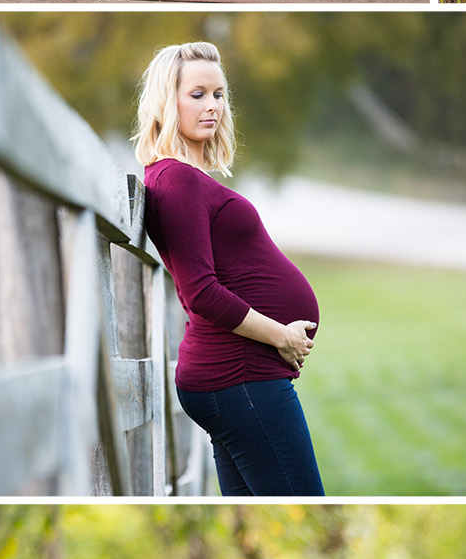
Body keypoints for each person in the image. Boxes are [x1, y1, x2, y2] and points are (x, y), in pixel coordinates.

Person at [136, 38, 325, 496]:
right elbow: (199, 291)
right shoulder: (177, 179)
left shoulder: (186, 178)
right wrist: (282, 335)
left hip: (240, 378)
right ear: (168, 100)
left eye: (219, 94)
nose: (213, 106)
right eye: (197, 94)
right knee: (303, 500)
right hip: (238, 377)